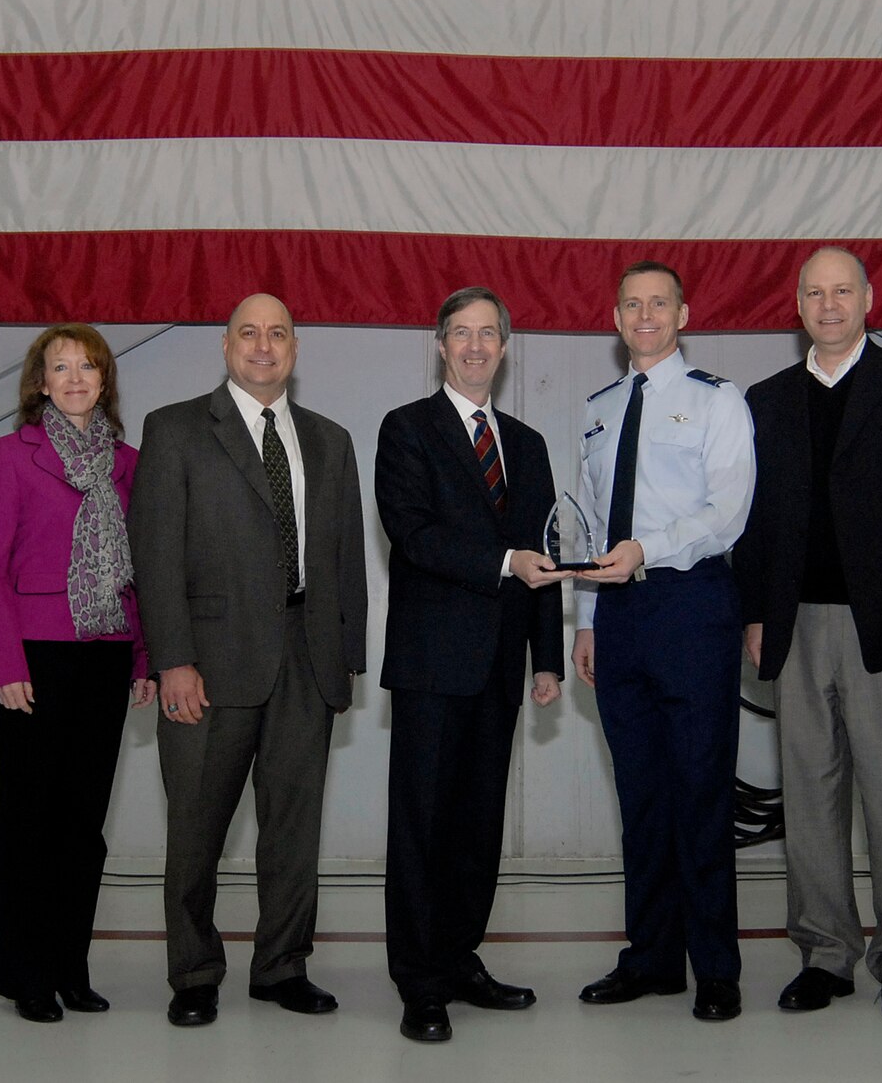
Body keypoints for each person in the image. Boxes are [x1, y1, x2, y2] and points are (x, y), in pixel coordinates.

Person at [732, 246, 882, 1022]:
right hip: (796, 624)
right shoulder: (766, 399)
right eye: (814, 292)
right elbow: (756, 520)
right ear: (795, 305)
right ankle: (825, 952)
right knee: (809, 797)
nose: (829, 304)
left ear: (869, 297)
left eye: (842, 290)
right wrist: (758, 612)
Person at [128, 293, 368, 1029]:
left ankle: (282, 965)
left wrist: (345, 658)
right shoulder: (174, 430)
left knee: (294, 828)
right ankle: (195, 970)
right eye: (248, 333)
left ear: (295, 347)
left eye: (277, 334)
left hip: (307, 658)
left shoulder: (330, 439)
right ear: (226, 346)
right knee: (196, 827)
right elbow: (156, 555)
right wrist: (172, 659)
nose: (263, 346)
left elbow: (348, 556)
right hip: (208, 661)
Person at [375, 287, 568, 1044]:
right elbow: (413, 535)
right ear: (440, 343)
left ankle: (459, 959)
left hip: (500, 671)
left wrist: (546, 658)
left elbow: (545, 558)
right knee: (422, 826)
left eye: (490, 334)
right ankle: (419, 983)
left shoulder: (526, 443)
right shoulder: (407, 430)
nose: (477, 346)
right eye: (463, 333)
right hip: (430, 666)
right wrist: (503, 561)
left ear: (506, 346)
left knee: (479, 826)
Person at [570, 261, 755, 1022]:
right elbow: (584, 520)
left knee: (701, 791)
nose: (645, 316)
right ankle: (652, 958)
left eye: (659, 303)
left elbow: (729, 510)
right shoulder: (597, 408)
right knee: (641, 796)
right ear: (616, 319)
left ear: (683, 313)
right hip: (617, 617)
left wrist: (650, 548)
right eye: (632, 305)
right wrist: (584, 623)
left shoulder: (718, 402)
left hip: (691, 607)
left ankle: (715, 966)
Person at [0, 324, 157, 1023]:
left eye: (88, 366)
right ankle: (23, 971)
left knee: (84, 823)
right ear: (40, 382)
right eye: (61, 366)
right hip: (34, 656)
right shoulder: (7, 456)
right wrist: (3, 666)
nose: (76, 377)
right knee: (30, 818)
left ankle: (70, 966)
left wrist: (141, 655)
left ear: (105, 381)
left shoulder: (129, 464)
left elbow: (138, 574)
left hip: (106, 653)